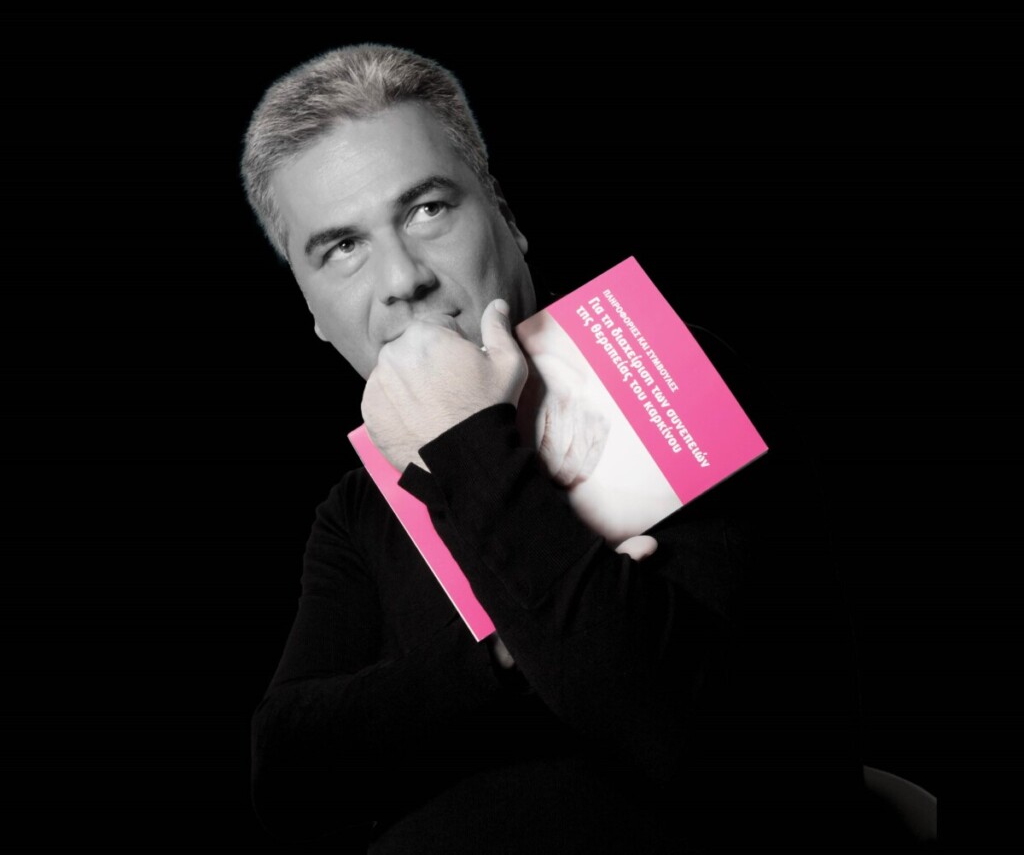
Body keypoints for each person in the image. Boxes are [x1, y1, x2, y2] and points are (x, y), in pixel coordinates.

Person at [243, 44, 869, 853]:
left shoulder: (671, 375)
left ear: (506, 218)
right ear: (315, 314)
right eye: (343, 248)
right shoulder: (356, 510)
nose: (402, 278)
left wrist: (463, 438)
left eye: (427, 209)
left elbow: (675, 724)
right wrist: (506, 661)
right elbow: (288, 775)